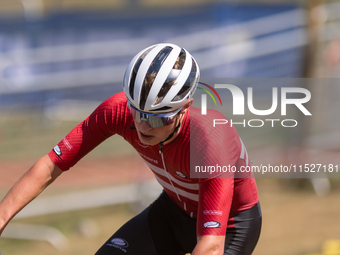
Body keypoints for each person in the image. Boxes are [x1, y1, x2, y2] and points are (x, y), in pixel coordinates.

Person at [0, 43, 261, 255]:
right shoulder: (117, 111)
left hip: (230, 225)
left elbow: (211, 246)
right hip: (173, 210)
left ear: (185, 107)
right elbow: (51, 164)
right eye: (137, 112)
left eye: (158, 118)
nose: (143, 125)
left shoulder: (210, 139)